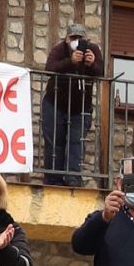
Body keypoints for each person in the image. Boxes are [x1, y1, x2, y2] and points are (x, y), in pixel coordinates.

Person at [42, 21, 104, 186]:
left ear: (86, 39)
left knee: (76, 142)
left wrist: (91, 64)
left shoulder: (93, 49)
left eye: (80, 37)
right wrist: (71, 61)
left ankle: (73, 178)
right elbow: (49, 68)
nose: (76, 40)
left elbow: (101, 72)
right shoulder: (59, 49)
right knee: (55, 141)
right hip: (54, 103)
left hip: (81, 107)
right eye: (73, 37)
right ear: (67, 39)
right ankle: (53, 179)